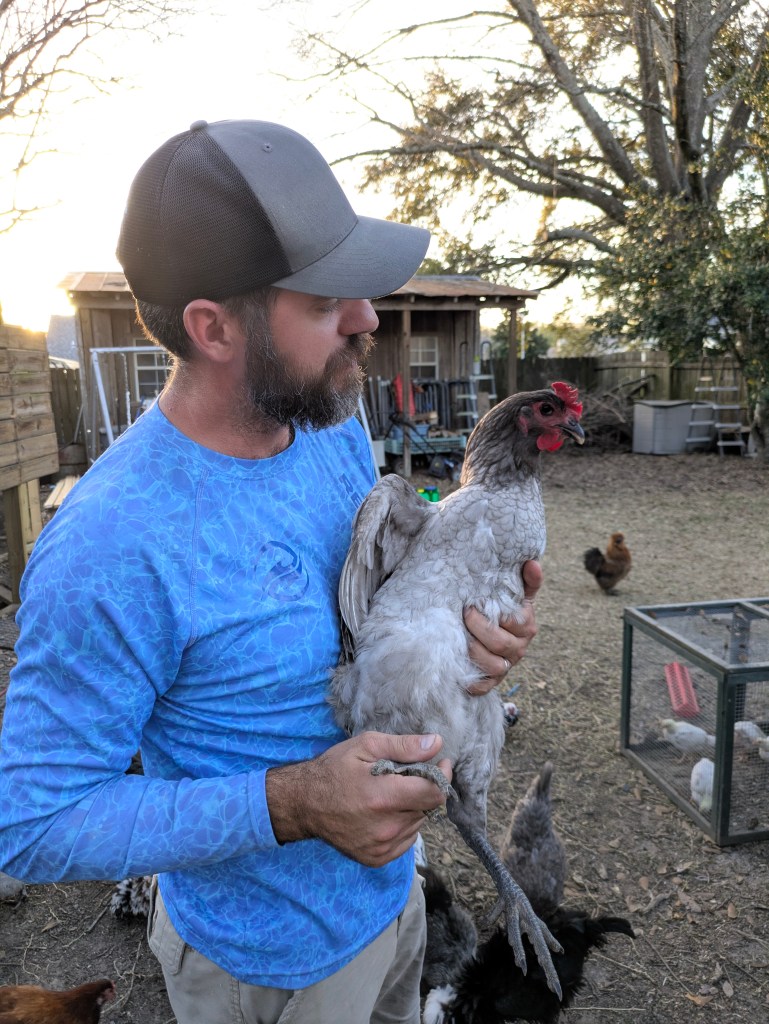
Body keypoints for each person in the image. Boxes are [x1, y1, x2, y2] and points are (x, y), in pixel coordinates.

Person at [0, 119, 541, 1024]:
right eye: (329, 300)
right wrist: (291, 803)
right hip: (268, 969)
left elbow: (382, 596)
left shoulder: (328, 425)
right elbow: (32, 820)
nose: (369, 316)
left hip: (396, 902)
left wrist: (477, 627)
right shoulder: (111, 546)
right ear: (214, 329)